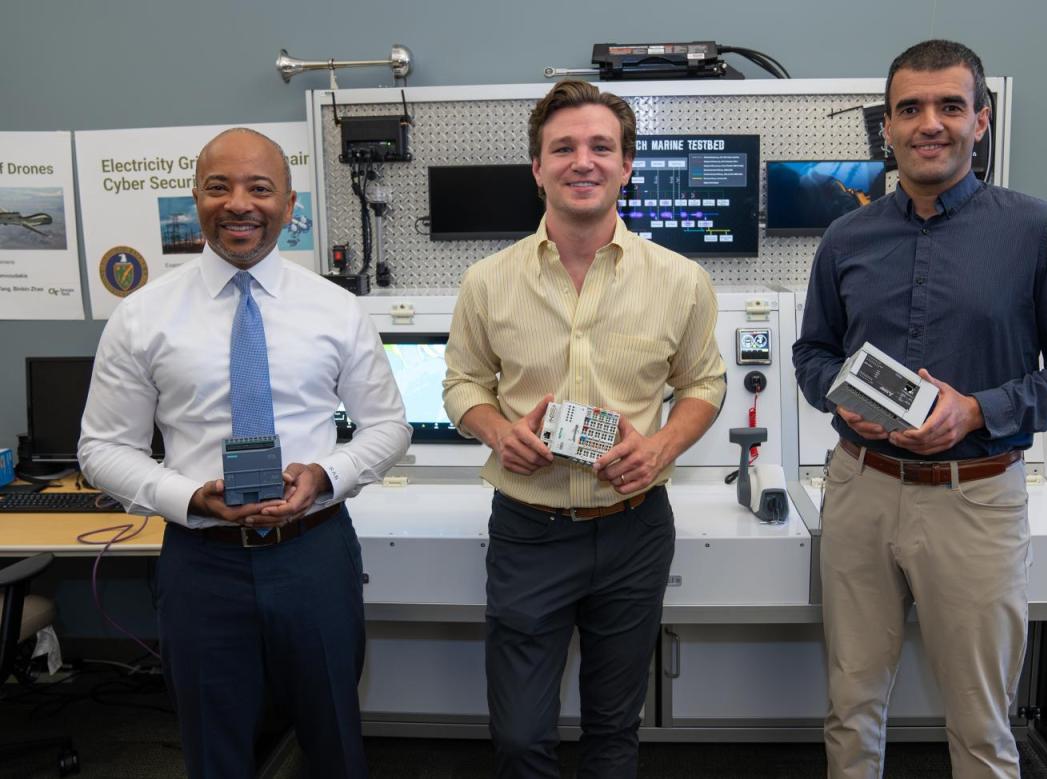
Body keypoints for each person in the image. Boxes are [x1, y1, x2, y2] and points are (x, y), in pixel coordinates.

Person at [792, 40, 1047, 778]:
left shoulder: (1038, 231)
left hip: (976, 499)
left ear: (981, 120)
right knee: (850, 705)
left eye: (949, 105)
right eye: (909, 108)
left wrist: (978, 409)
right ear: (889, 126)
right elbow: (812, 355)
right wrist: (846, 399)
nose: (928, 123)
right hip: (859, 489)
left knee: (980, 724)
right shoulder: (846, 238)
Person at [79, 127, 411, 778]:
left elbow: (387, 426)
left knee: (335, 742)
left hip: (314, 554)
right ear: (195, 199)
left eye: (260, 188)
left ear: (290, 207)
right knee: (214, 749)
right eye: (218, 186)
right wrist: (187, 495)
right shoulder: (142, 317)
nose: (239, 203)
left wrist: (324, 475)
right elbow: (102, 447)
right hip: (202, 563)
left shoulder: (336, 311)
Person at [443, 80, 726, 778]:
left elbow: (705, 384)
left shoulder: (682, 280)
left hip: (633, 529)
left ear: (627, 164)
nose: (583, 161)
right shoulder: (486, 281)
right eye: (562, 147)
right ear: (536, 168)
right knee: (518, 737)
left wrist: (661, 445)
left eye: (602, 146)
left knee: (612, 731)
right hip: (528, 530)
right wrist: (496, 430)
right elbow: (463, 385)